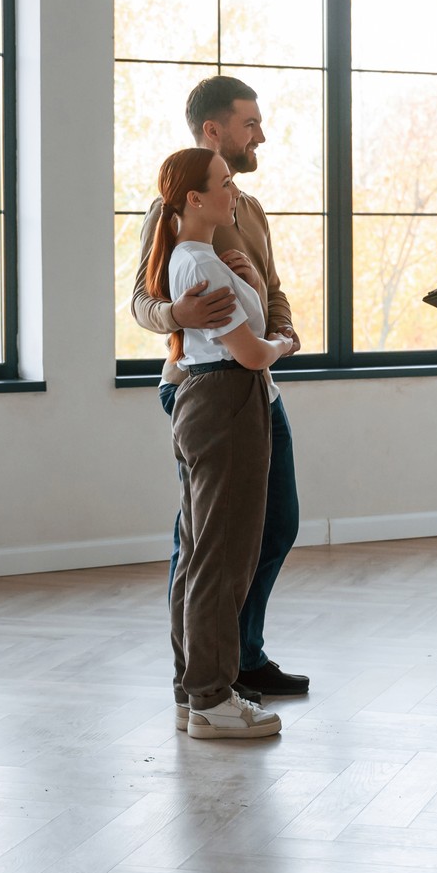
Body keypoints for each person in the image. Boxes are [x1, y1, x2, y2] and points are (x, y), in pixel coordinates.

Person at [131, 76, 308, 702]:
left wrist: (282, 332)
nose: (260, 133)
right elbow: (142, 302)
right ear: (214, 130)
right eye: (249, 123)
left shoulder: (248, 209)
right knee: (203, 541)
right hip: (200, 387)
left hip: (258, 384)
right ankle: (200, 672)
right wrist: (180, 315)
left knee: (277, 523)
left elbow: (272, 289)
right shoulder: (173, 208)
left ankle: (241, 653)